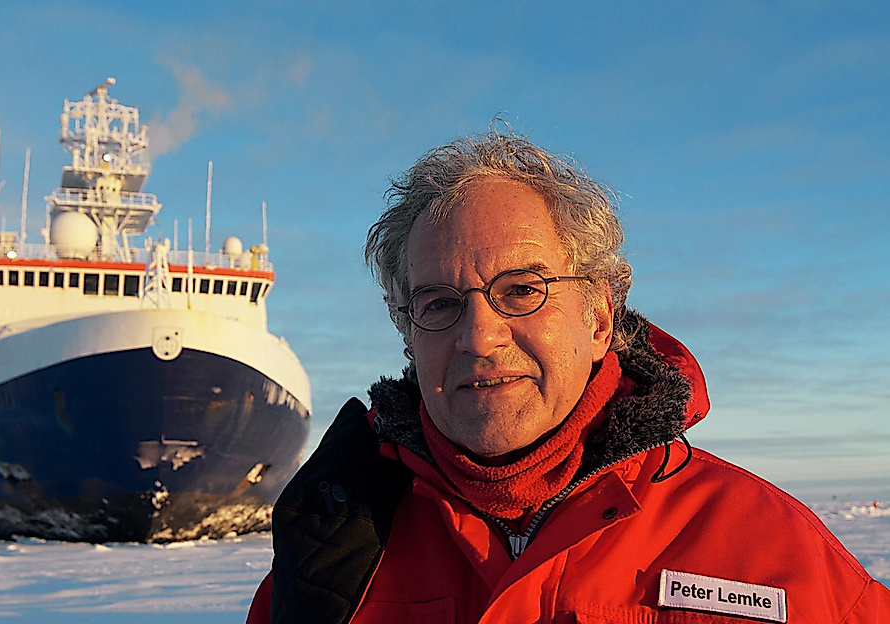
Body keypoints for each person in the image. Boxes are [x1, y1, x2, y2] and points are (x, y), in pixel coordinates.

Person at [247, 128, 890, 623]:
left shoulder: (770, 546)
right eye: (440, 304)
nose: (478, 338)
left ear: (600, 318)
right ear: (408, 333)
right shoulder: (328, 550)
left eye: (522, 290)